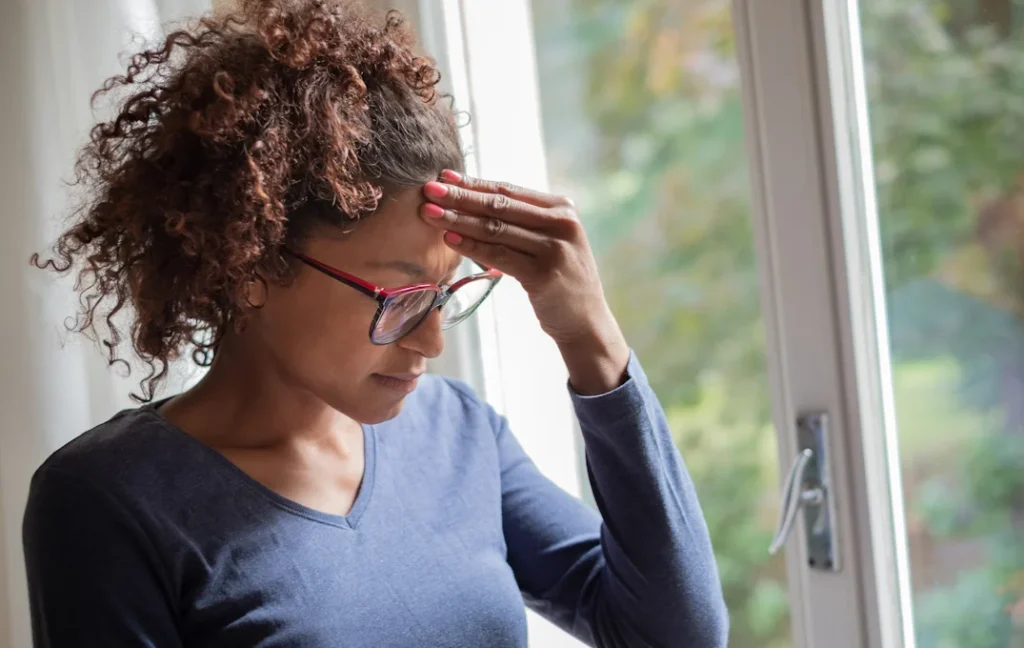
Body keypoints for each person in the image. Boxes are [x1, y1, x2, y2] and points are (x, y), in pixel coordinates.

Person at [22, 1, 728, 646]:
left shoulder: (461, 435)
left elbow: (675, 635)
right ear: (253, 262)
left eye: (445, 294)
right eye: (398, 298)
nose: (432, 341)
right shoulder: (110, 501)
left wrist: (590, 336)